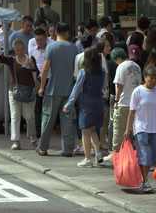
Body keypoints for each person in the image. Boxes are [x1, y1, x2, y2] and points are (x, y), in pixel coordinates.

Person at [125, 66, 156, 193]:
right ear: (145, 78)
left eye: (155, 78)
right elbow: (131, 112)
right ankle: (145, 181)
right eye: (150, 78)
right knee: (145, 155)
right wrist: (128, 129)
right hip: (141, 128)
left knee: (152, 156)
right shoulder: (137, 91)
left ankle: (143, 179)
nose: (153, 81)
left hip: (155, 128)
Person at [36, 22, 79, 157]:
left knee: (48, 119)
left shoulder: (51, 47)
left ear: (56, 32)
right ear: (66, 33)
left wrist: (42, 87)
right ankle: (67, 149)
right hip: (69, 90)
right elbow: (76, 71)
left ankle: (42, 147)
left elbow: (45, 69)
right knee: (67, 121)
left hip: (53, 90)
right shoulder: (74, 48)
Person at [63, 48, 106, 167]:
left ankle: (87, 159)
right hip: (99, 102)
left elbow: (76, 89)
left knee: (85, 131)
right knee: (93, 129)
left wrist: (68, 104)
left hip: (87, 104)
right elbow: (104, 87)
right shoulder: (102, 72)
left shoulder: (84, 72)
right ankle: (98, 153)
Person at [0, 39, 39, 150]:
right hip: (14, 91)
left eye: (21, 49)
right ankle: (16, 141)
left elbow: (36, 73)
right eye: (16, 50)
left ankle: (33, 138)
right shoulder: (11, 60)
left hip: (28, 92)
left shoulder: (30, 59)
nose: (19, 51)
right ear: (14, 50)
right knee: (15, 116)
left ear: (24, 49)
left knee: (29, 117)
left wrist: (30, 67)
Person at [103, 47, 142, 162]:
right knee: (132, 130)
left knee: (119, 130)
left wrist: (116, 100)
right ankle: (131, 154)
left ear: (117, 58)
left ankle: (117, 154)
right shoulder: (136, 66)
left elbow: (118, 86)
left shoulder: (121, 67)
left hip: (124, 103)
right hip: (136, 103)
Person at [28, 27, 52, 138]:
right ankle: (39, 132)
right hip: (38, 80)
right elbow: (32, 66)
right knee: (38, 106)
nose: (39, 42)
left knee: (49, 107)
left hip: (50, 79)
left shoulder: (51, 48)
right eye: (37, 40)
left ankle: (48, 129)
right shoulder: (33, 50)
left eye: (41, 40)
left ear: (46, 38)